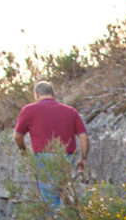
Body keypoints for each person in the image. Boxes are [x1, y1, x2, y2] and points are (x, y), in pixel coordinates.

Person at [13, 81, 90, 210]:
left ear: (37, 94)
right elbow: (84, 137)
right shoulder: (70, 111)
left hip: (44, 157)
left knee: (49, 198)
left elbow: (17, 136)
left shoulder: (29, 110)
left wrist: (23, 150)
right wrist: (83, 159)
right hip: (67, 157)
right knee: (62, 192)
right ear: (53, 94)